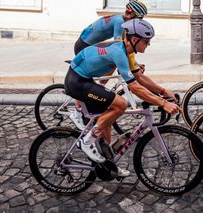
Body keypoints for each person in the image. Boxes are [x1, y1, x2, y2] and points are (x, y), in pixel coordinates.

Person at [65, 19, 180, 177]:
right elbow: (134, 87)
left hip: (85, 80)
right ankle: (86, 142)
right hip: (77, 82)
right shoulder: (119, 52)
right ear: (134, 39)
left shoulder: (128, 51)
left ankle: (108, 164)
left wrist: (164, 91)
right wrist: (163, 103)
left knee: (107, 119)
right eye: (146, 41)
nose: (148, 45)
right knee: (120, 104)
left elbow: (140, 78)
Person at [70, 0, 148, 130]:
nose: (140, 20)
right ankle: (78, 109)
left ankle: (98, 87)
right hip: (84, 45)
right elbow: (120, 46)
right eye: (140, 17)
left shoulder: (121, 20)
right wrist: (133, 64)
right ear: (133, 14)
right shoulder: (120, 22)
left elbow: (122, 49)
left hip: (86, 43)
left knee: (112, 62)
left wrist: (134, 63)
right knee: (112, 62)